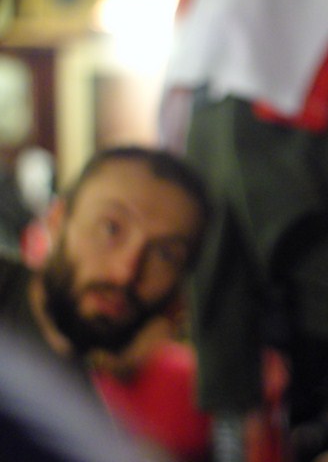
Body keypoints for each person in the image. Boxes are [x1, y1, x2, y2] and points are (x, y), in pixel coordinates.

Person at [0, 145, 213, 459]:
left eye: (165, 255)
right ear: (57, 220)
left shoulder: (94, 419)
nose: (126, 271)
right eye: (111, 228)